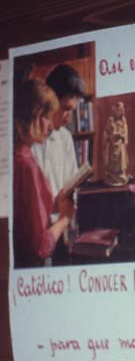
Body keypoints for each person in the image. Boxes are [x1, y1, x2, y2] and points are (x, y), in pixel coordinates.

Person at [13, 79, 74, 268]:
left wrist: (54, 204)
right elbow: (41, 246)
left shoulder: (19, 154)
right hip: (33, 266)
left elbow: (27, 215)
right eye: (47, 117)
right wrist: (65, 218)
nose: (51, 126)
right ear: (34, 116)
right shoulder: (26, 164)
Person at [32, 63, 85, 197]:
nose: (69, 120)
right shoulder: (28, 137)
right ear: (51, 100)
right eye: (66, 109)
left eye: (72, 111)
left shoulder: (65, 137)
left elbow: (72, 188)